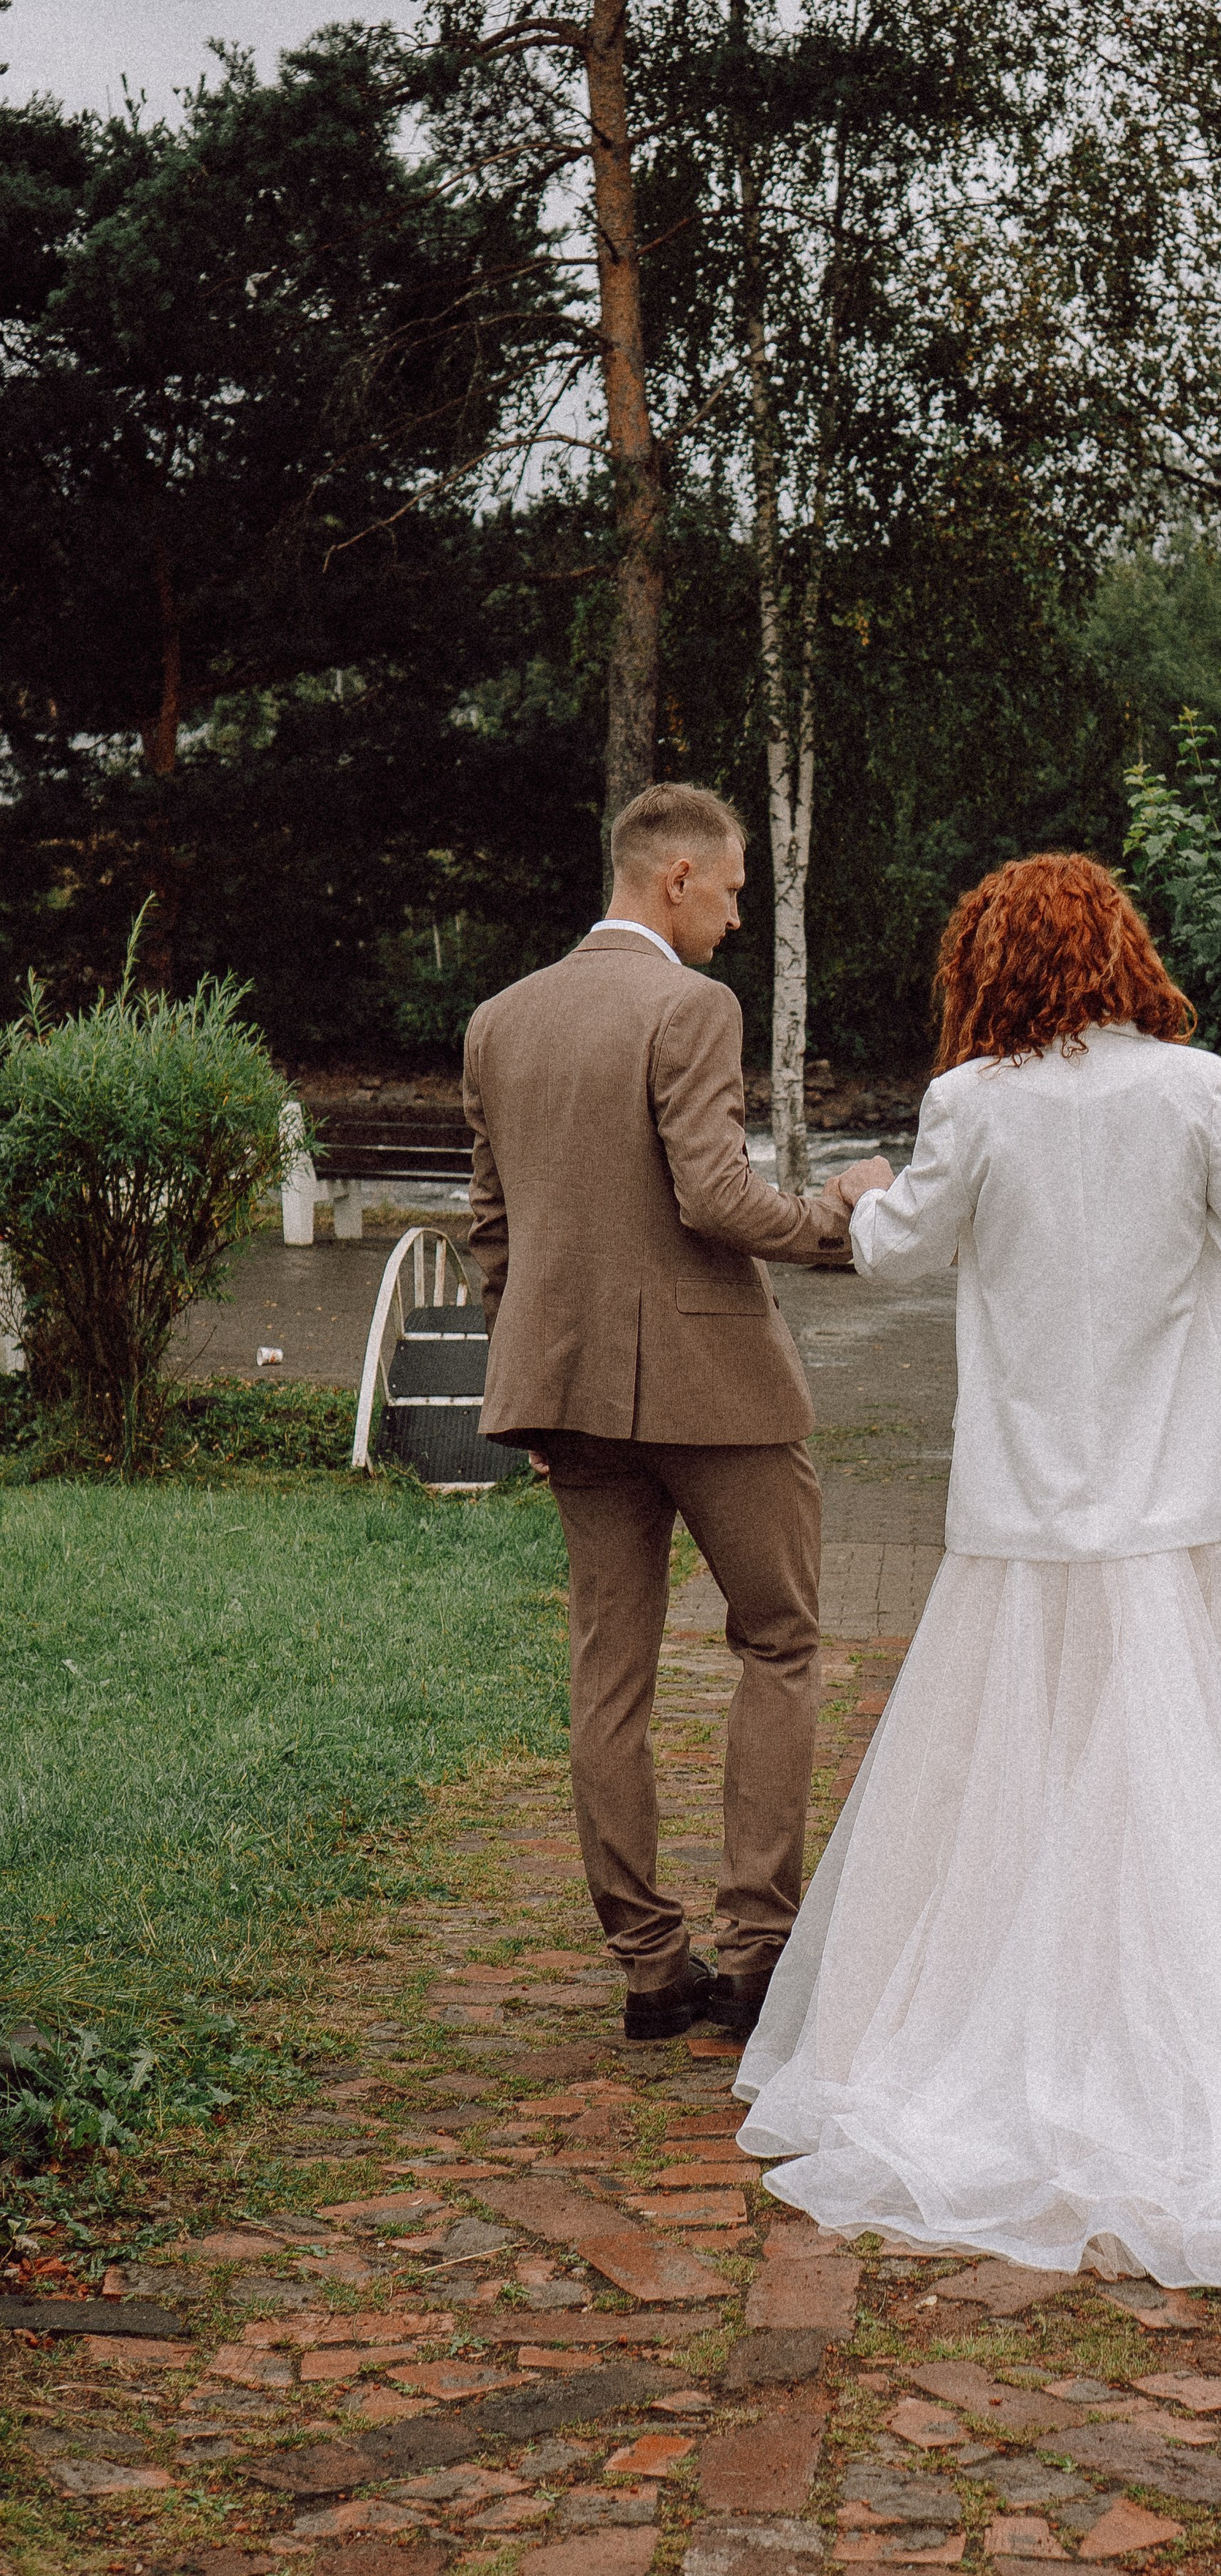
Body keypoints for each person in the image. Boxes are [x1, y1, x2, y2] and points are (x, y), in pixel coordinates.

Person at [736, 851, 1221, 2297]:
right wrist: (1186, 1321)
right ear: (1120, 952)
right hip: (1197, 1483)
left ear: (987, 965)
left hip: (1037, 1495)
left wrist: (861, 1191)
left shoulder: (971, 1104)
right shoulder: (1196, 1086)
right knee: (1216, 1759)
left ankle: (1044, 2014)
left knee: (1034, 1757)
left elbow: (898, 1256)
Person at [463, 783, 852, 2045]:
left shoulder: (499, 1020)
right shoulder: (693, 1007)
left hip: (567, 1393)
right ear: (676, 875)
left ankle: (648, 1968)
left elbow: (492, 1229)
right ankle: (756, 1956)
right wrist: (839, 1220)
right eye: (732, 891)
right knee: (780, 1642)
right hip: (715, 1389)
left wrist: (532, 1381)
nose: (736, 919)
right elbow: (717, 1198)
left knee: (610, 1673)